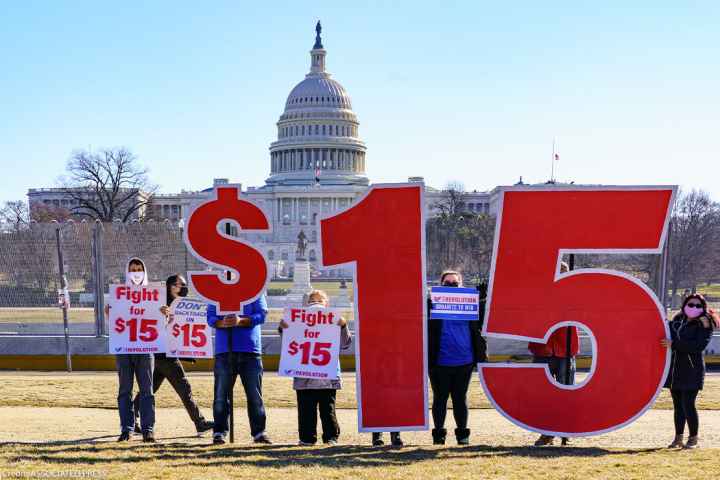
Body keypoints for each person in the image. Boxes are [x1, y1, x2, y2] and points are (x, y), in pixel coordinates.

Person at [132, 274, 213, 436]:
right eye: (177, 284)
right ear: (169, 286)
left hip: (164, 354)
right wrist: (161, 313)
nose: (180, 287)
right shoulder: (160, 303)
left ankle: (130, 419)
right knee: (184, 388)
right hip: (163, 354)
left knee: (148, 390)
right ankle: (200, 423)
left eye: (182, 285)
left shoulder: (183, 305)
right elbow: (146, 318)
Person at [279, 290, 352, 445]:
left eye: (320, 300)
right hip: (304, 375)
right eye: (312, 301)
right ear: (306, 305)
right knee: (306, 409)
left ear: (328, 304)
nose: (316, 304)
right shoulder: (297, 320)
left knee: (328, 409)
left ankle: (331, 437)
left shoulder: (335, 322)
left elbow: (345, 344)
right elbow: (288, 342)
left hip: (328, 374)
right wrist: (284, 328)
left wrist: (343, 325)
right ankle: (306, 438)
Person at [427, 270, 487, 445]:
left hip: (464, 360)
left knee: (460, 398)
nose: (452, 286)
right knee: (440, 398)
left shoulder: (470, 303)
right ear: (441, 285)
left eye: (455, 283)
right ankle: (438, 435)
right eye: (447, 283)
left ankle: (463, 436)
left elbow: (482, 321)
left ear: (461, 285)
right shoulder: (432, 303)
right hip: (439, 361)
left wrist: (481, 301)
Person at [207, 291, 271, 445]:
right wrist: (222, 323)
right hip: (224, 350)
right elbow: (210, 316)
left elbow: (261, 315)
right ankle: (219, 432)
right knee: (221, 395)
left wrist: (240, 321)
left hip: (250, 350)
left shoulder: (256, 290)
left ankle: (259, 432)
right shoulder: (218, 290)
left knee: (255, 396)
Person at [528, 261, 579, 447]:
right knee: (544, 396)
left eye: (563, 272)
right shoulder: (538, 294)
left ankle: (566, 431)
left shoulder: (574, 295)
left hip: (565, 350)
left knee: (566, 393)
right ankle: (546, 433)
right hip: (543, 349)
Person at [662, 293, 717, 449]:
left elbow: (697, 347)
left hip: (692, 370)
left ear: (703, 308)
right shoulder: (677, 321)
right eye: (691, 304)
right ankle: (678, 438)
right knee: (677, 405)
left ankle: (693, 438)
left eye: (698, 305)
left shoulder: (705, 324)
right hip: (675, 370)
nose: (694, 308)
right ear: (685, 305)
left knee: (688, 404)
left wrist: (673, 344)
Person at [110, 257, 156, 442]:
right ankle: (126, 429)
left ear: (144, 271)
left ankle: (148, 429)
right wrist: (109, 313)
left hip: (145, 348)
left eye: (139, 269)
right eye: (132, 269)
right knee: (124, 390)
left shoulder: (153, 294)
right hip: (124, 348)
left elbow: (160, 324)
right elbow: (115, 320)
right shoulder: (120, 294)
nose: (136, 272)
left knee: (147, 390)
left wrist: (164, 315)